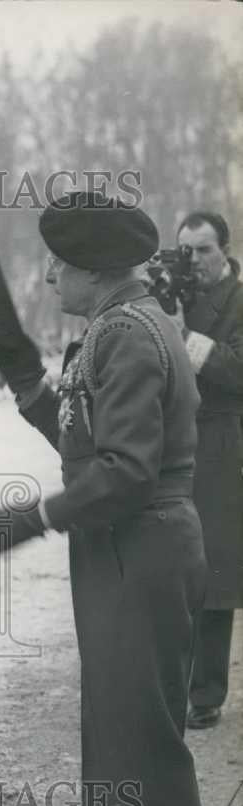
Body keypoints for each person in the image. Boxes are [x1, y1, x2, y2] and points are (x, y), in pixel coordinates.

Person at [0, 192, 228, 806]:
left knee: (145, 738)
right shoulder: (121, 328)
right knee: (111, 731)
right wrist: (24, 377)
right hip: (123, 545)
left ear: (94, 270)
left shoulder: (127, 336)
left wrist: (34, 517)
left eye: (61, 265)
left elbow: (122, 470)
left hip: (141, 543)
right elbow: (86, 439)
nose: (52, 277)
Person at [175, 211, 243, 729]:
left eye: (203, 251)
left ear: (226, 251)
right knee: (173, 566)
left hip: (224, 445)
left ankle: (206, 693)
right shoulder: (174, 296)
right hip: (177, 441)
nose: (194, 261)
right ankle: (176, 683)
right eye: (186, 252)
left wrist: (187, 337)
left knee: (215, 573)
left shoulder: (239, 301)